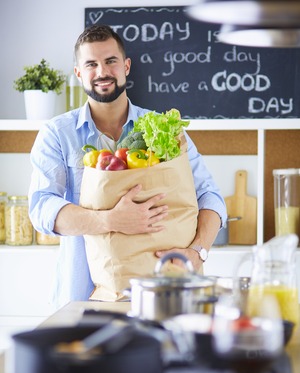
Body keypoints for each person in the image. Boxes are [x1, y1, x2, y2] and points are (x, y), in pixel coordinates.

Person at [28, 25, 227, 308]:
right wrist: (111, 220)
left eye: (110, 61)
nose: (102, 72)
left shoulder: (162, 129)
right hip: (83, 298)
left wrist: (198, 252)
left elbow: (211, 197)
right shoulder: (57, 134)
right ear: (79, 73)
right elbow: (41, 209)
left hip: (165, 295)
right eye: (91, 64)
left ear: (126, 66)